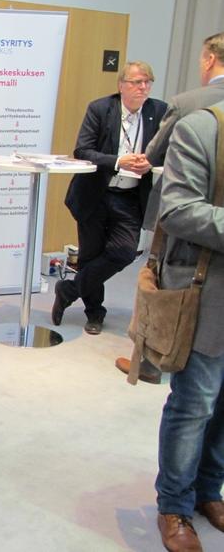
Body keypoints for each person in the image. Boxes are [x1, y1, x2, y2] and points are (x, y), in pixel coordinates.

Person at [116, 32, 224, 384]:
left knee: (158, 282)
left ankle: (150, 361)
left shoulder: (186, 103)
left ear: (209, 59)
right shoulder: (103, 108)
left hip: (184, 220)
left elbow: (154, 153)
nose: (143, 87)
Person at [153, 100, 224, 552]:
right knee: (195, 403)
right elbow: (177, 210)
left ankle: (209, 490)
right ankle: (174, 505)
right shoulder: (201, 128)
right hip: (207, 293)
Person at [53, 61, 167, 335]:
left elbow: (167, 151)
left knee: (124, 252)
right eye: (137, 82)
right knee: (91, 254)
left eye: (147, 82)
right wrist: (118, 161)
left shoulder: (158, 111)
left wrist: (150, 162)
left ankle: (68, 290)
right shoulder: (101, 109)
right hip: (96, 192)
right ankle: (94, 313)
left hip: (130, 196)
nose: (143, 88)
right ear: (121, 85)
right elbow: (83, 150)